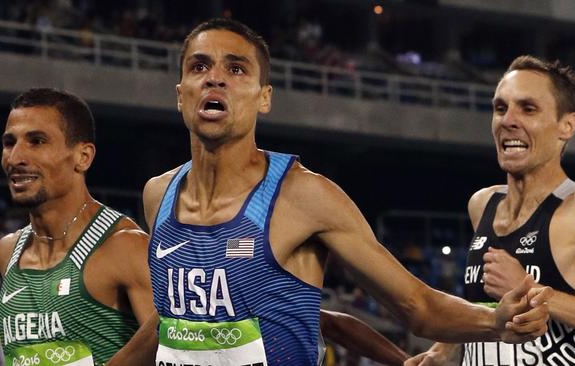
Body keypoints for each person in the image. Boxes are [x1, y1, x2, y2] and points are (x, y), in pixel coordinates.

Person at [141, 19, 552, 365]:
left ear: (264, 98)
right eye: (199, 67)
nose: (214, 78)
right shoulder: (158, 196)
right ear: (181, 95)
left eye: (236, 69)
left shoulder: (304, 196)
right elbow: (168, 325)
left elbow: (417, 305)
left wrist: (494, 321)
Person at [405, 56, 575, 366]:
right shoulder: (482, 205)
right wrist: (445, 350)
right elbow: (486, 306)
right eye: (501, 108)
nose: (508, 120)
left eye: (528, 109)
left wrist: (533, 291)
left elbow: (522, 293)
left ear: (567, 125)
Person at [0, 88, 154, 365]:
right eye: (10, 143)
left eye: (37, 141)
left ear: (83, 156)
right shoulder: (8, 251)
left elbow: (174, 353)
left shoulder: (125, 247)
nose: (15, 158)